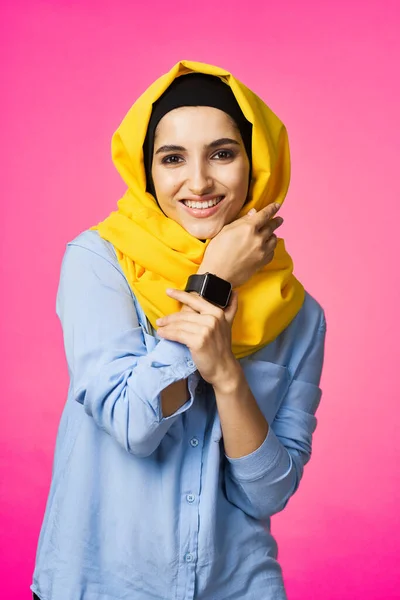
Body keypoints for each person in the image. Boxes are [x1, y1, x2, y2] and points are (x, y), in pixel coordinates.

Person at [31, 60, 326, 600]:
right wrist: (213, 281)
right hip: (98, 587)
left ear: (256, 163)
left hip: (238, 587)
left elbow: (268, 493)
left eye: (222, 153)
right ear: (148, 171)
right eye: (173, 158)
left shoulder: (298, 314)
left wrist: (229, 378)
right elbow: (131, 425)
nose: (199, 182)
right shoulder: (101, 263)